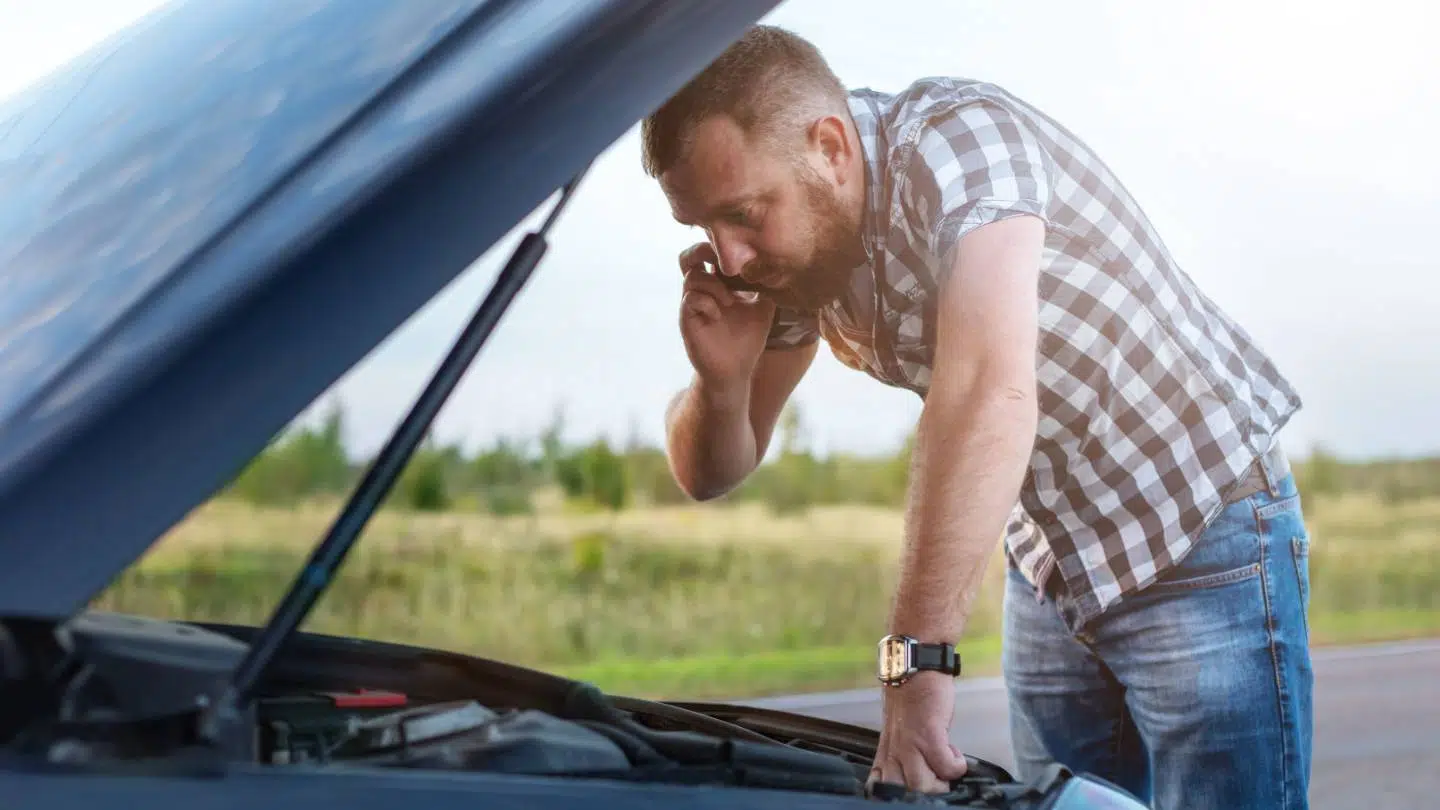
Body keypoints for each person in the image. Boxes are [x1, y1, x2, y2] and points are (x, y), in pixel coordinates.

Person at [641, 23, 1312, 810]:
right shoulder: (795, 253)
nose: (733, 255)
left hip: (1197, 532)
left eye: (744, 213)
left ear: (829, 147)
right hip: (1053, 563)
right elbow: (711, 471)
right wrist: (719, 381)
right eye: (705, 230)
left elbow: (990, 391)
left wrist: (915, 668)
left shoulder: (959, 141)